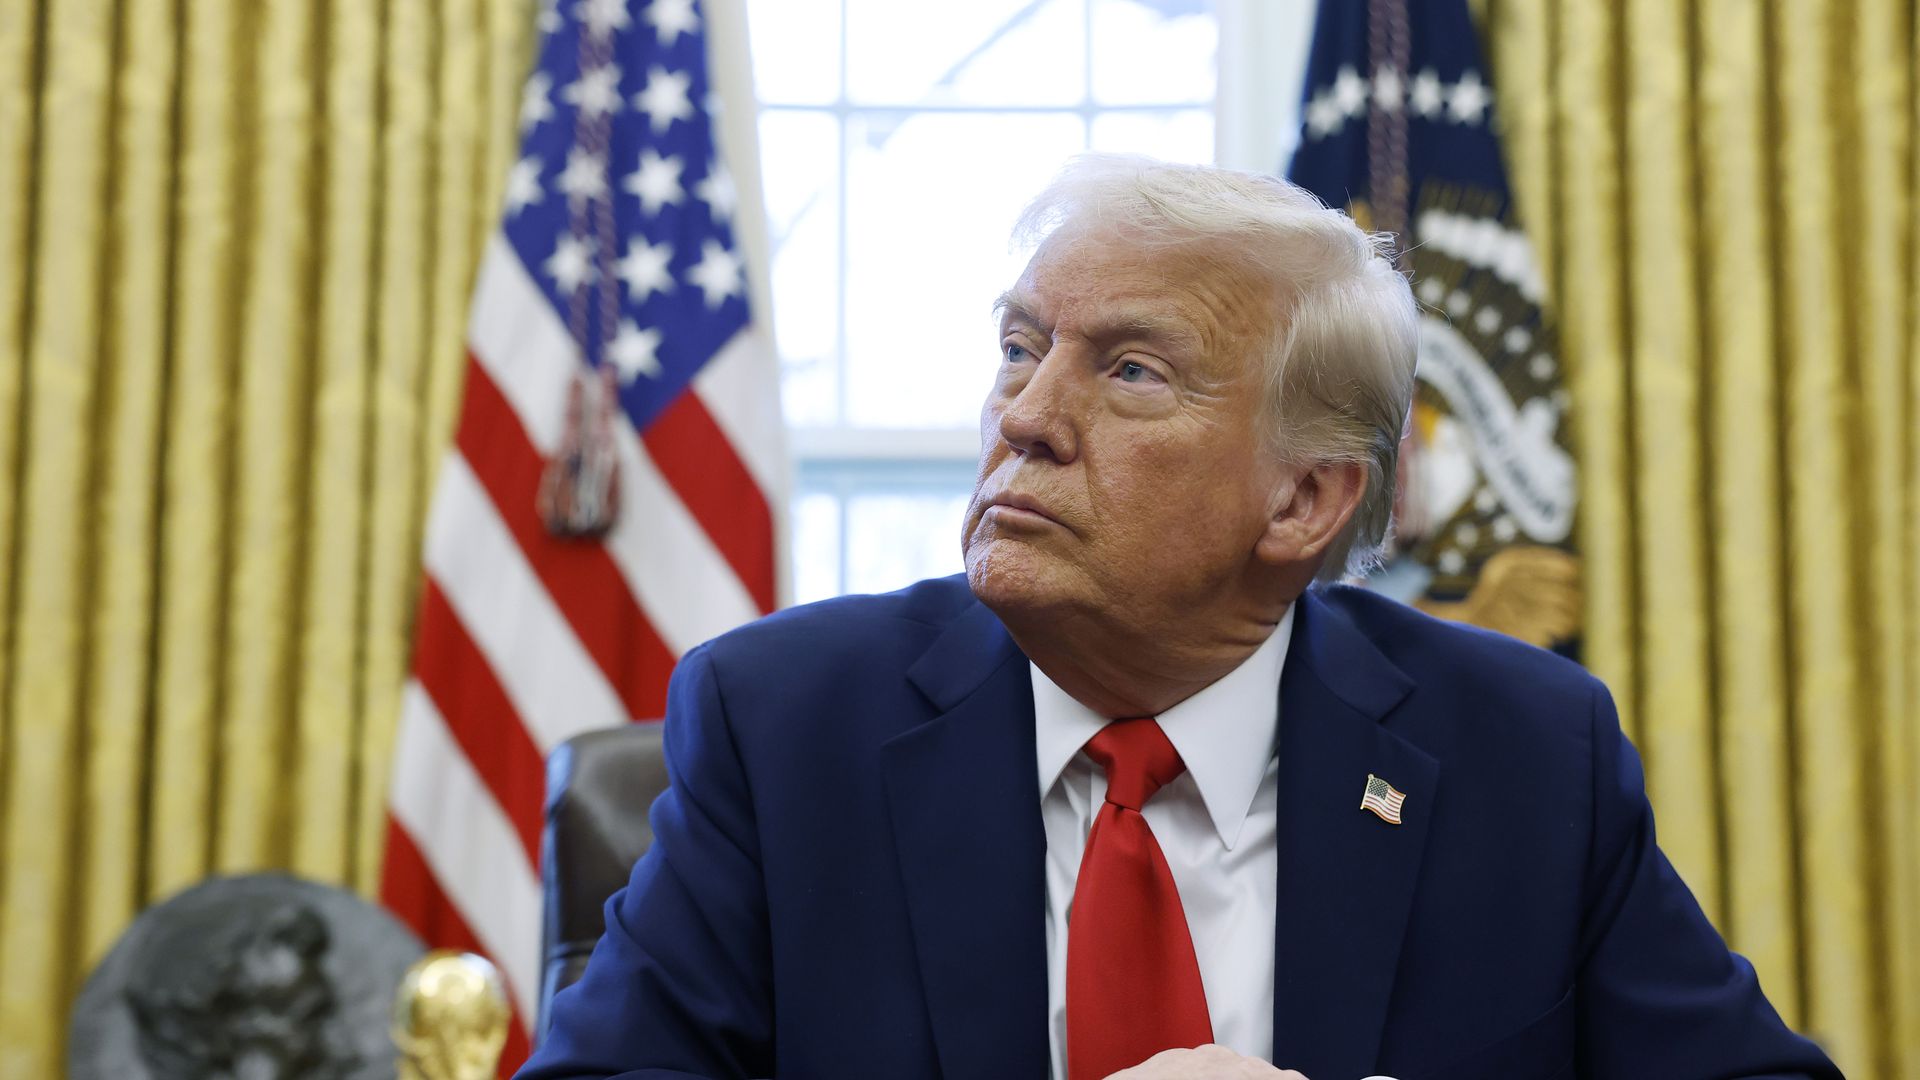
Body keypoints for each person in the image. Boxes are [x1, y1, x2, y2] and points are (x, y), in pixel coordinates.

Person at [520, 156, 1838, 1080]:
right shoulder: (787, 724)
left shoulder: (1523, 756)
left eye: (1131, 370)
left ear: (1305, 501)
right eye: (1020, 347)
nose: (1025, 417)